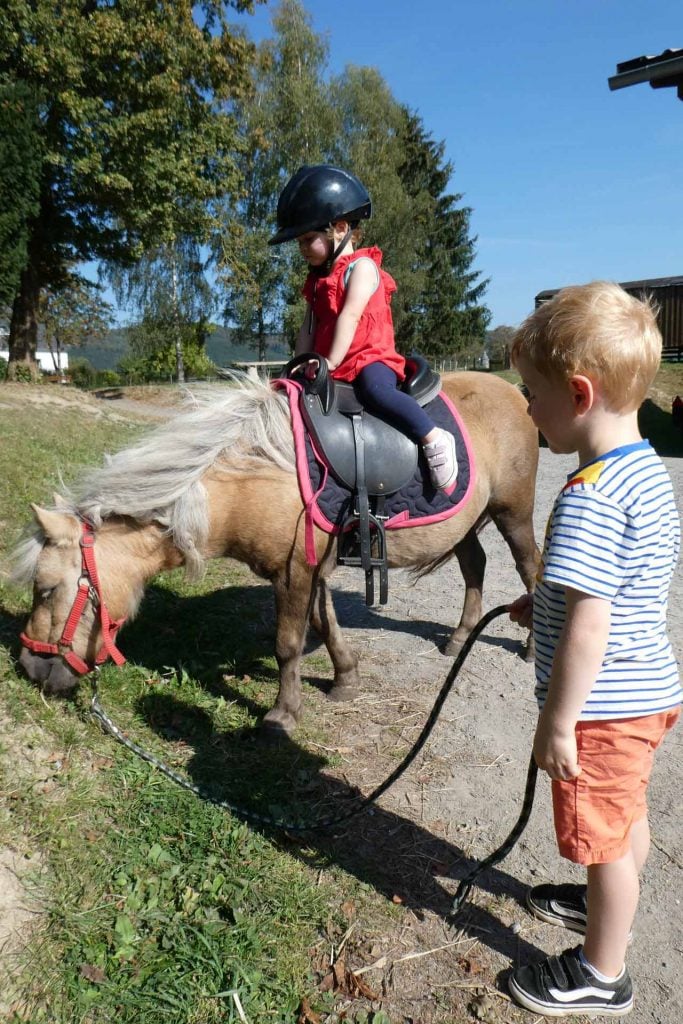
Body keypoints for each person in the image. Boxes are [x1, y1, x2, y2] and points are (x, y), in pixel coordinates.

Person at [507, 281, 681, 1018]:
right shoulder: (644, 473)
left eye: (530, 394)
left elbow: (589, 622)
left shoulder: (588, 494)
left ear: (577, 394)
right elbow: (615, 585)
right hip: (649, 695)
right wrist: (536, 600)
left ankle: (600, 973)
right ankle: (600, 910)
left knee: (603, 840)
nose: (524, 408)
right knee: (625, 818)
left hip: (600, 712)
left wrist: (557, 722)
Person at [268, 164, 458, 493]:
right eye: (299, 241)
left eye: (308, 238)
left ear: (339, 228)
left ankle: (433, 436)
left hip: (370, 358)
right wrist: (297, 367)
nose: (301, 248)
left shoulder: (363, 268)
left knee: (377, 391)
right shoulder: (315, 282)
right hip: (335, 364)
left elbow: (350, 316)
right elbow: (308, 328)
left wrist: (331, 361)